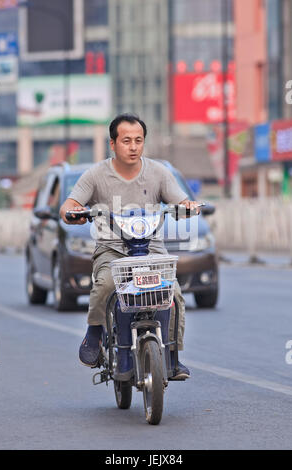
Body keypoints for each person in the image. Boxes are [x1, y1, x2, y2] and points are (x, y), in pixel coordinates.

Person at [60, 113, 200, 380]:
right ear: (112, 144)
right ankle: (94, 333)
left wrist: (189, 208)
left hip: (152, 248)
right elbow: (68, 205)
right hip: (111, 250)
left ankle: (172, 356)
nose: (133, 146)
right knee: (105, 285)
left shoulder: (159, 172)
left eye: (139, 140)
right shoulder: (96, 174)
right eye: (126, 141)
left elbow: (181, 202)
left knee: (173, 294)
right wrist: (72, 212)